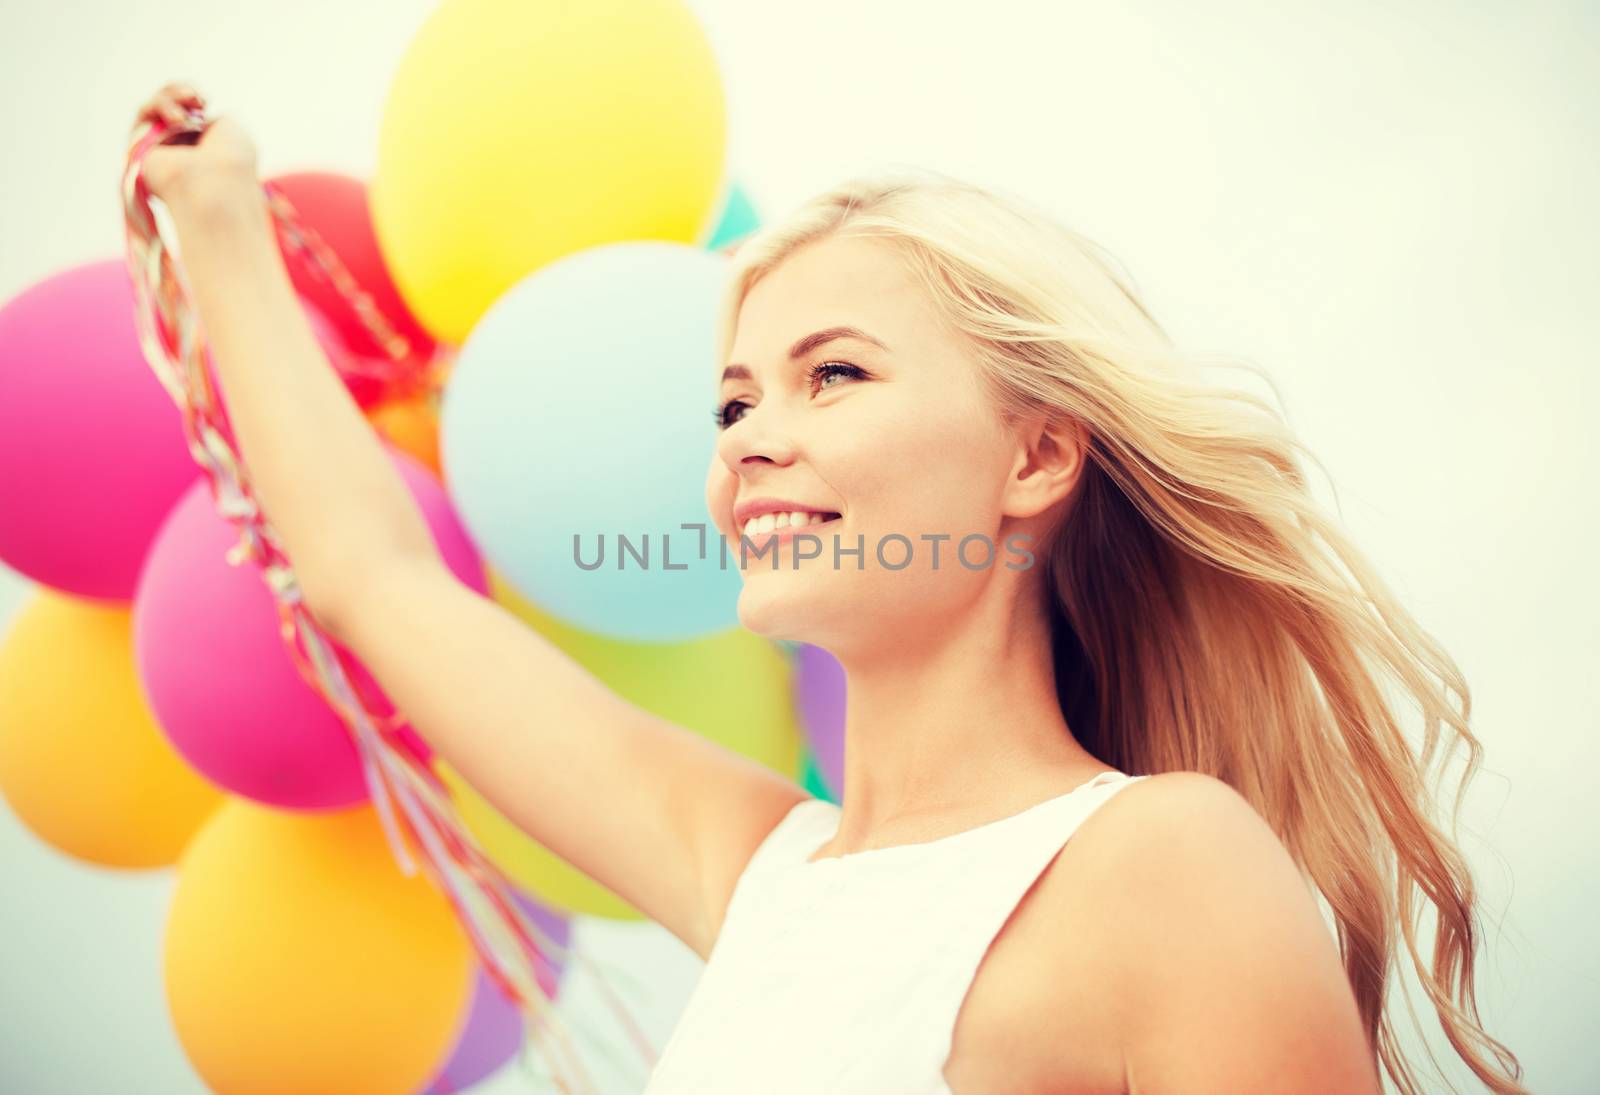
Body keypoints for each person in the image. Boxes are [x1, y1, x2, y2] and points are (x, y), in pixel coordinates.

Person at [134, 82, 1526, 1095]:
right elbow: (377, 580)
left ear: (1036, 456)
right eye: (731, 403)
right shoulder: (757, 876)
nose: (748, 439)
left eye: (834, 375)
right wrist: (218, 226)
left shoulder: (1169, 865)